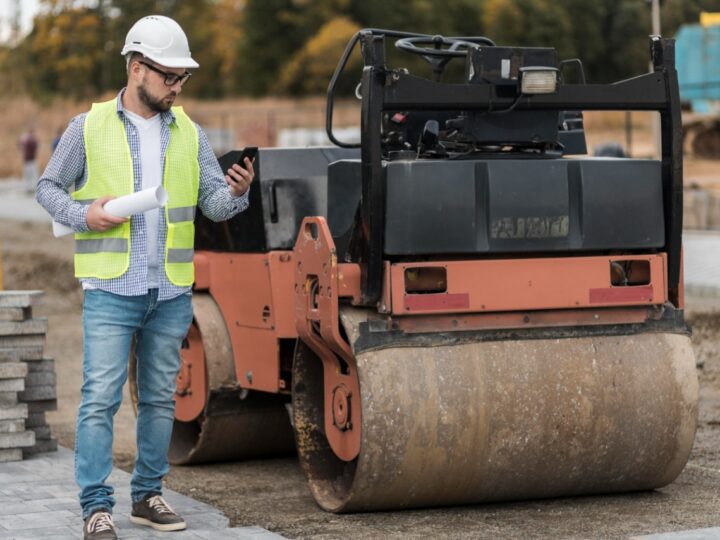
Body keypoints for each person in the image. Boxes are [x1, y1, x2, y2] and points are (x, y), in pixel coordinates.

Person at [36, 15, 254, 540]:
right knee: (99, 400)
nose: (178, 87)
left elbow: (214, 206)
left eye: (183, 79)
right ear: (137, 69)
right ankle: (95, 506)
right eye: (169, 77)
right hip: (111, 289)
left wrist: (239, 193)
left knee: (159, 398)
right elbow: (48, 189)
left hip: (170, 290)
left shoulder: (191, 135)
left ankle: (148, 495)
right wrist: (87, 215)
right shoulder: (86, 127)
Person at [18, 127, 38, 193]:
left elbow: (19, 145)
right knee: (34, 175)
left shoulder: (23, 138)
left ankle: (27, 188)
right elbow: (36, 146)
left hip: (26, 160)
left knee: (27, 176)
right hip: (31, 159)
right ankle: (34, 188)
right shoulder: (32, 139)